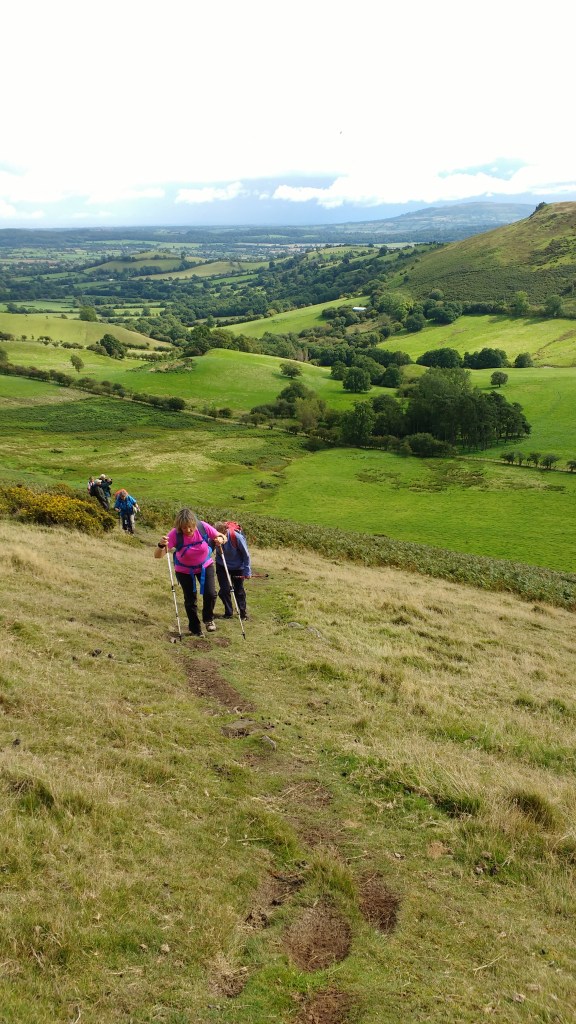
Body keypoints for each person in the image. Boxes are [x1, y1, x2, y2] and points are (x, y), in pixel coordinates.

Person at [154, 509, 225, 637]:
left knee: (211, 593)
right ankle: (195, 628)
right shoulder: (175, 534)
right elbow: (158, 555)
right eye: (184, 527)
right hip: (184, 570)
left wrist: (220, 539)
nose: (187, 530)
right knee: (190, 599)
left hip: (205, 565)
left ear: (194, 523)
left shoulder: (202, 527)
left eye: (190, 526)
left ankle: (208, 619)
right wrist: (160, 545)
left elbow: (222, 536)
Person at [214, 520, 251, 620]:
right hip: (222, 564)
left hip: (238, 566)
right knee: (224, 590)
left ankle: (243, 613)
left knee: (238, 590)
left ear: (225, 532)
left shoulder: (237, 537)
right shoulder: (214, 537)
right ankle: (228, 612)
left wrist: (247, 571)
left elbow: (246, 555)